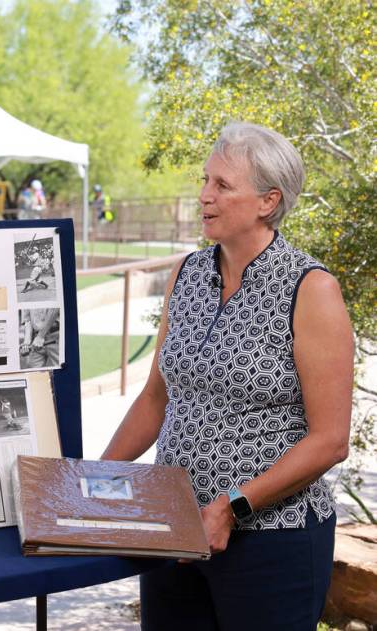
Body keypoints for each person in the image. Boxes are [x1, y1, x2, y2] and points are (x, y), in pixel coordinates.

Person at [101, 122, 352, 629]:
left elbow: (330, 441)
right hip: (175, 529)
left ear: (267, 201)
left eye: (222, 185)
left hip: (272, 540)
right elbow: (156, 399)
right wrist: (94, 481)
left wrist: (230, 508)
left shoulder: (311, 289)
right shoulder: (187, 274)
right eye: (205, 180)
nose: (203, 195)